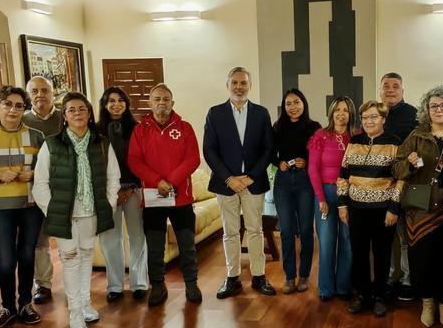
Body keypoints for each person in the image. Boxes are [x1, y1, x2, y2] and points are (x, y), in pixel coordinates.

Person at [33, 93, 120, 328]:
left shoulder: (101, 142)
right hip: (64, 213)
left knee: (85, 256)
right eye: (71, 110)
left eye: (82, 109)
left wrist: (109, 203)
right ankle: (74, 312)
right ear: (64, 116)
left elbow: (113, 177)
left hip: (92, 211)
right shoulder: (52, 143)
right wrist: (53, 209)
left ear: (89, 113)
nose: (77, 113)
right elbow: (40, 183)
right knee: (69, 259)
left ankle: (85, 304)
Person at [392, 86, 443, 328]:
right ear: (427, 109)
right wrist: (409, 163)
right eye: (433, 105)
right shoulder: (416, 135)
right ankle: (427, 304)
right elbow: (396, 168)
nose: (439, 110)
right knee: (422, 260)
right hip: (420, 209)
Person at [0, 85, 46, 328]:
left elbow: (47, 172)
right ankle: (7, 307)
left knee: (27, 256)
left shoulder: (36, 136)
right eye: (7, 104)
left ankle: (25, 304)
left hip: (30, 204)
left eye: (18, 105)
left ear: (24, 108)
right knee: (5, 260)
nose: (13, 110)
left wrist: (34, 173)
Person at [203, 67, 277, 298]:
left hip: (253, 182)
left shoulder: (261, 113)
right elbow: (209, 150)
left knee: (255, 230)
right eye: (234, 83)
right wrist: (228, 178)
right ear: (228, 85)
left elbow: (268, 148)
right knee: (230, 232)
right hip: (226, 184)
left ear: (249, 85)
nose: (239, 87)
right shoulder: (215, 113)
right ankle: (232, 278)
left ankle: (259, 276)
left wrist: (251, 176)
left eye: (243, 83)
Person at [128, 84, 203, 304]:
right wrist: (157, 181)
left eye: (166, 99)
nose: (162, 103)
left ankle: (191, 284)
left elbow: (193, 159)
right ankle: (158, 286)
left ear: (172, 103)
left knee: (187, 244)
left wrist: (170, 181)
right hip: (153, 199)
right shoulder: (140, 130)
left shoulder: (185, 127)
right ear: (150, 103)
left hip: (181, 198)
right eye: (157, 99)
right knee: (155, 246)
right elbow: (134, 160)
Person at [337, 100, 402, 316]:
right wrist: (343, 204)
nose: (369, 121)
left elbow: (401, 179)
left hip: (383, 210)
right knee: (359, 254)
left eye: (374, 117)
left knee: (382, 254)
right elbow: (343, 175)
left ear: (383, 119)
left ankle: (380, 296)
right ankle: (363, 295)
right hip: (356, 209)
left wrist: (393, 208)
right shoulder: (354, 142)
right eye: (365, 118)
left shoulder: (394, 143)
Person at [95, 86, 150, 303]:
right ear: (104, 104)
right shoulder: (96, 130)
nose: (115, 104)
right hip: (107, 192)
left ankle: (139, 283)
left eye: (120, 100)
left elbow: (143, 160)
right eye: (111, 101)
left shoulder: (137, 129)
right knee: (110, 239)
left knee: (137, 237)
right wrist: (112, 191)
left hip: (133, 190)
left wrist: (128, 188)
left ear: (126, 104)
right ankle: (115, 285)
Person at [271, 88, 320, 294]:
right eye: (289, 103)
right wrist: (278, 163)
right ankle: (289, 277)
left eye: (296, 102)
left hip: (305, 181)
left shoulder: (314, 127)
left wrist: (306, 161)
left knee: (307, 230)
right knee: (287, 231)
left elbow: (318, 155)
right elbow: (269, 152)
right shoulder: (278, 126)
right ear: (284, 106)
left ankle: (304, 276)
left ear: (304, 103)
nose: (293, 107)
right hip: (283, 181)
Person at [308, 96, 356, 301]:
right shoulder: (321, 135)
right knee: (327, 242)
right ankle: (326, 288)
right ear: (331, 113)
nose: (341, 114)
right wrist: (320, 199)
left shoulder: (358, 136)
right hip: (326, 193)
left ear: (351, 113)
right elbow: (312, 170)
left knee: (347, 241)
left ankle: (343, 287)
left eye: (345, 110)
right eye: (337, 110)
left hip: (351, 195)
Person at [23, 75, 64, 304]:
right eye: (34, 91)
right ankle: (43, 285)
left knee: (70, 239)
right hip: (33, 189)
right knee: (39, 241)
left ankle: (76, 283)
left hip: (63, 187)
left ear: (53, 92)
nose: (40, 95)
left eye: (44, 90)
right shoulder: (22, 120)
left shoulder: (64, 117)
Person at [379, 72, 417, 301]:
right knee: (385, 237)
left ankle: (407, 280)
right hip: (377, 184)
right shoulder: (375, 113)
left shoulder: (413, 115)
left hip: (404, 183)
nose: (391, 90)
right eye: (386, 86)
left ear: (402, 90)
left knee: (404, 236)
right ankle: (389, 277)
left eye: (395, 86)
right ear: (380, 90)